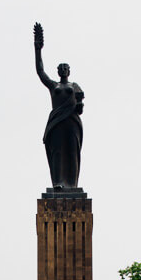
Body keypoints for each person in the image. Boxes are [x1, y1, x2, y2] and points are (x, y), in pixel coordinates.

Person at [34, 22, 84, 188]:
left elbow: (80, 105)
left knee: (72, 152)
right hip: (56, 122)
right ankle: (58, 182)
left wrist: (78, 105)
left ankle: (72, 184)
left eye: (65, 68)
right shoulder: (53, 86)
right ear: (57, 71)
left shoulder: (74, 86)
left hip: (71, 122)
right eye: (60, 68)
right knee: (57, 153)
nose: (63, 70)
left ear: (68, 71)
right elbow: (40, 72)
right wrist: (38, 49)